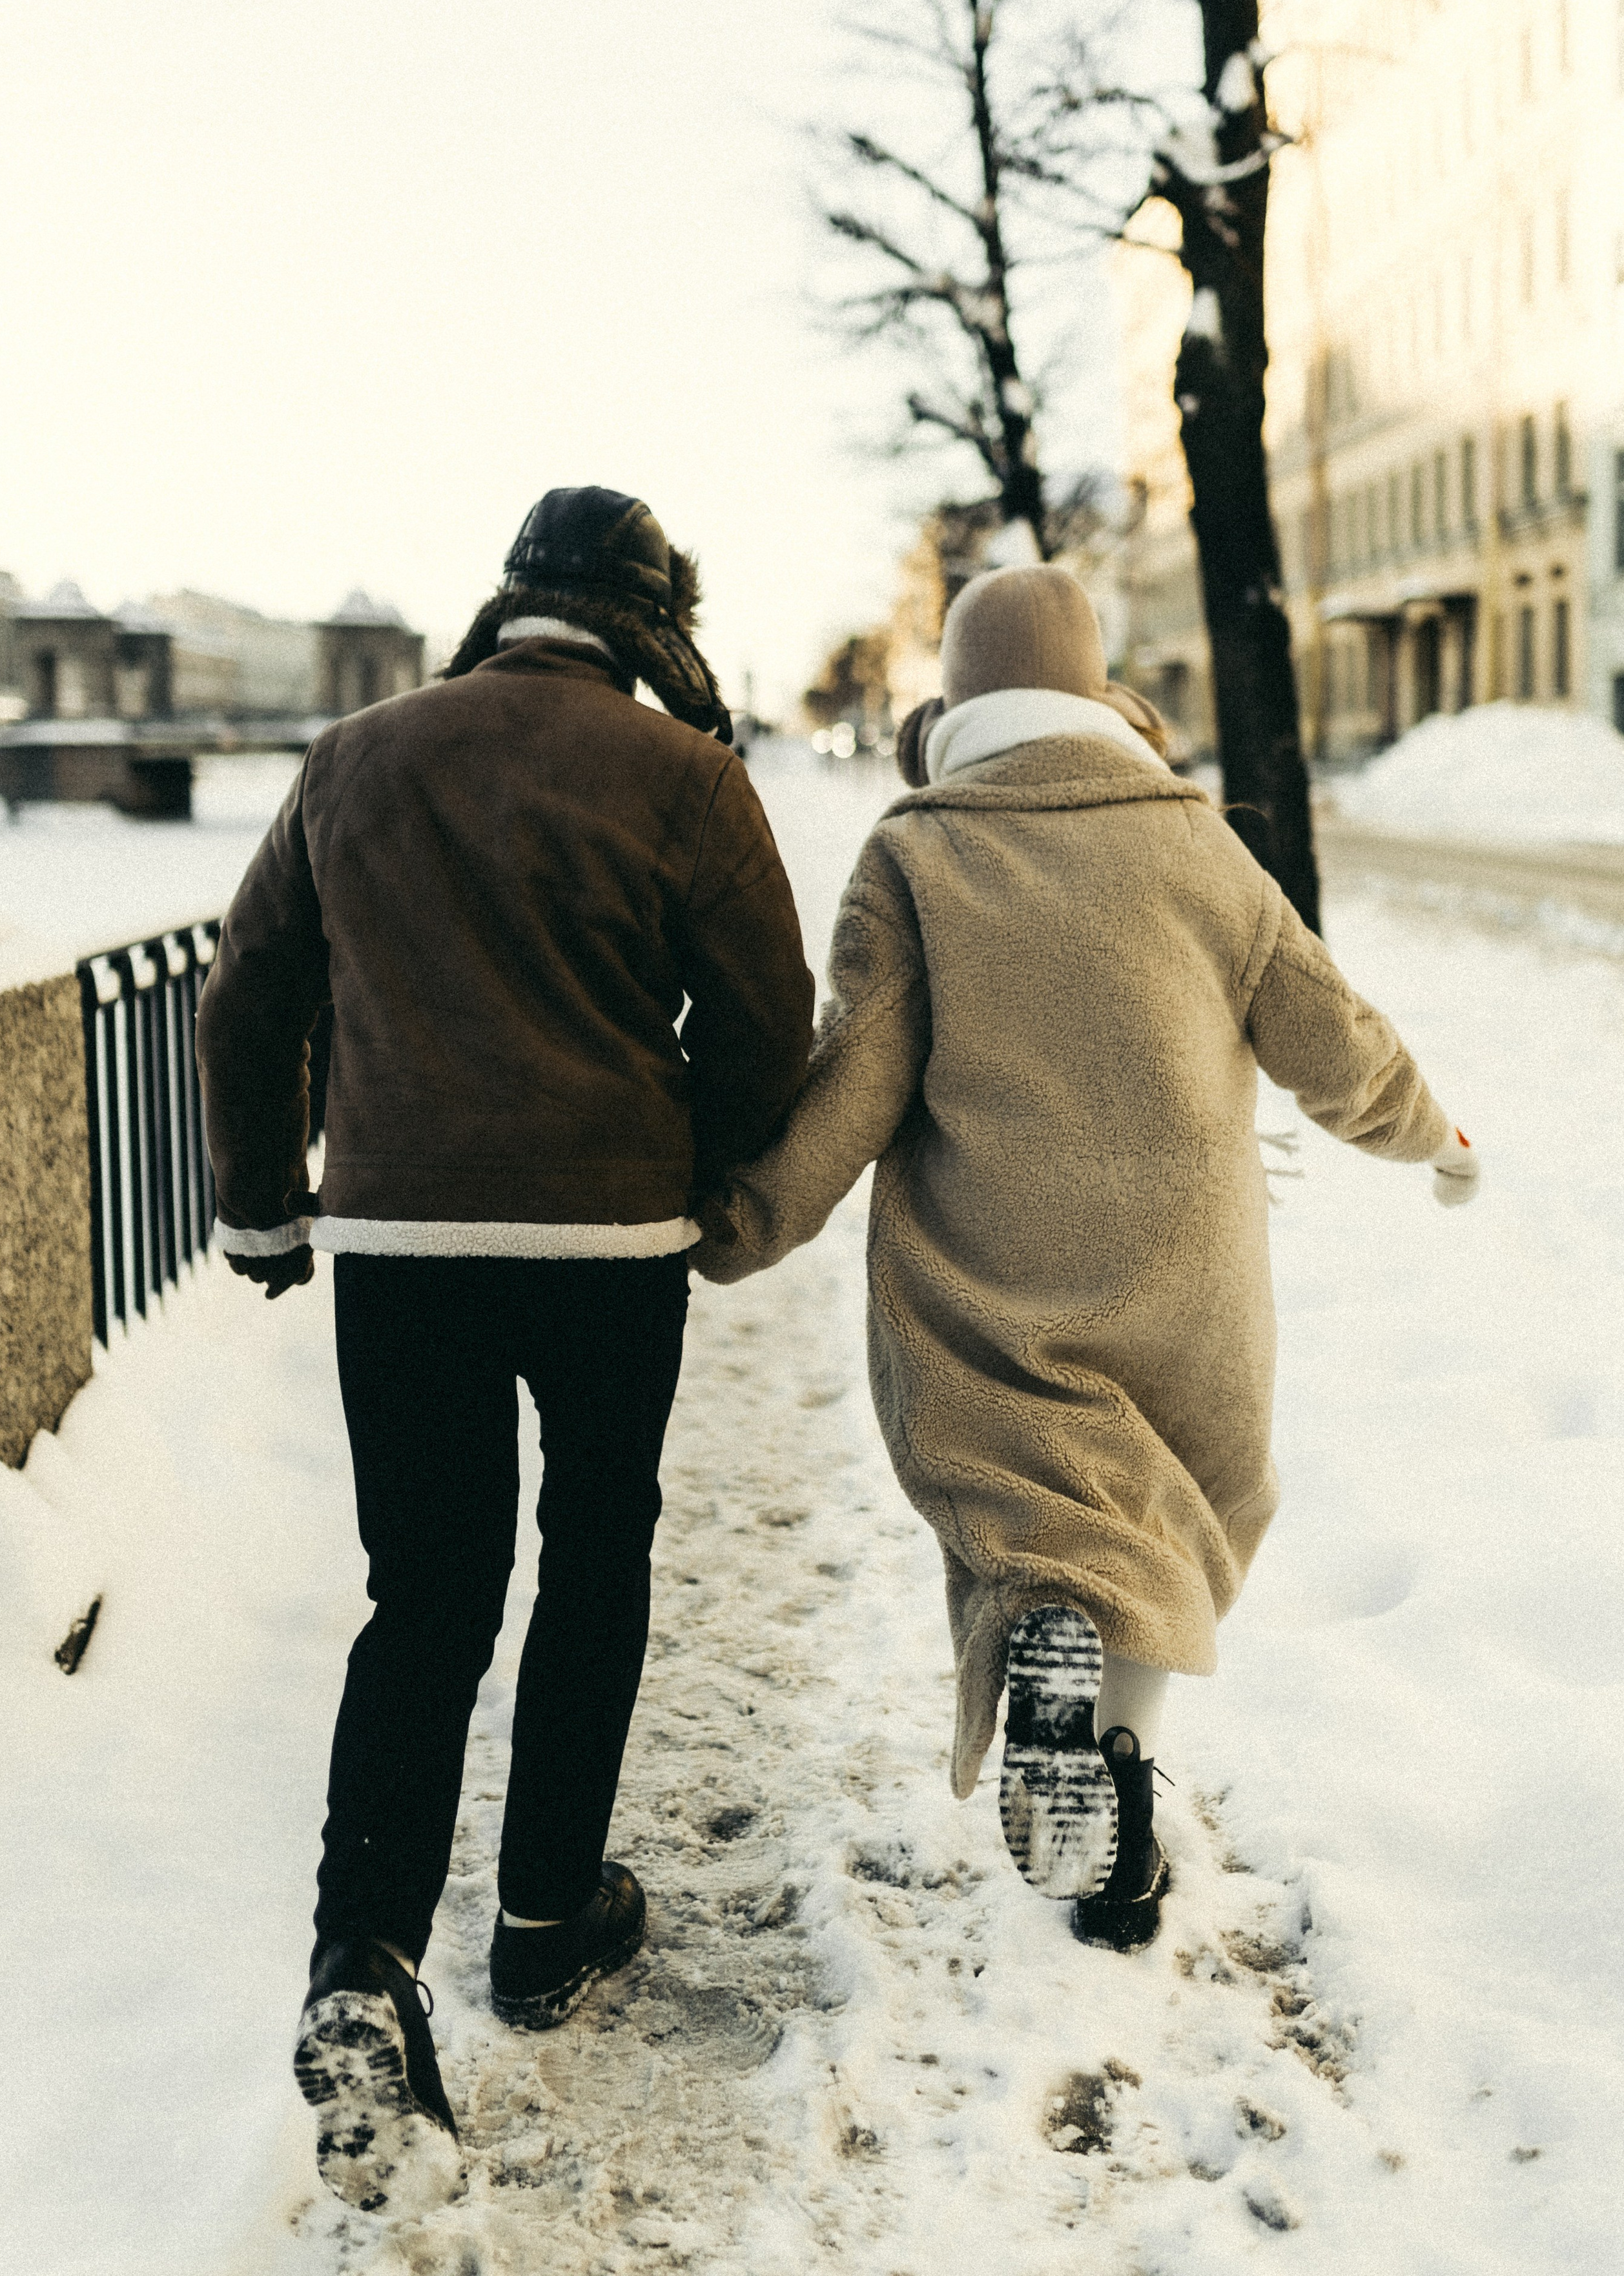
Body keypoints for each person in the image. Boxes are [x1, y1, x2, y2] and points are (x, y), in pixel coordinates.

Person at [692, 564, 1477, 1954]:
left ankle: (1044, 1649)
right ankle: (1118, 1817)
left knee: (1039, 1511)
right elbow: (1332, 1036)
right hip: (1190, 1274)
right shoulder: (1200, 844)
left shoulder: (916, 853)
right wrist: (1432, 1136)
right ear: (1099, 691)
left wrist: (742, 1221)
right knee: (1170, 1520)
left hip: (991, 1259)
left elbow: (855, 1077)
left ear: (956, 701)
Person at [196, 488, 814, 2213]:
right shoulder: (686, 776)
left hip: (400, 1244)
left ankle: (364, 1956)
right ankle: (544, 1916)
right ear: (648, 623)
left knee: (427, 1594)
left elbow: (246, 993)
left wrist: (265, 1209)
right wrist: (701, 1170)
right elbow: (769, 1022)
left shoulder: (354, 756)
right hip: (609, 1243)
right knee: (595, 1549)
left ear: (509, 602)